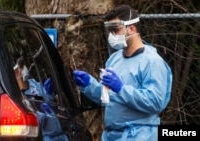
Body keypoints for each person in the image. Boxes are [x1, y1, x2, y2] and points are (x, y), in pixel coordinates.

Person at [73, 5, 173, 141]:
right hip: (111, 135)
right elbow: (107, 98)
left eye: (115, 30)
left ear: (132, 29)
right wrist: (89, 85)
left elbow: (155, 102)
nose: (112, 35)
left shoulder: (151, 61)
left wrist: (121, 89)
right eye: (110, 30)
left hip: (139, 135)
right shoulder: (114, 59)